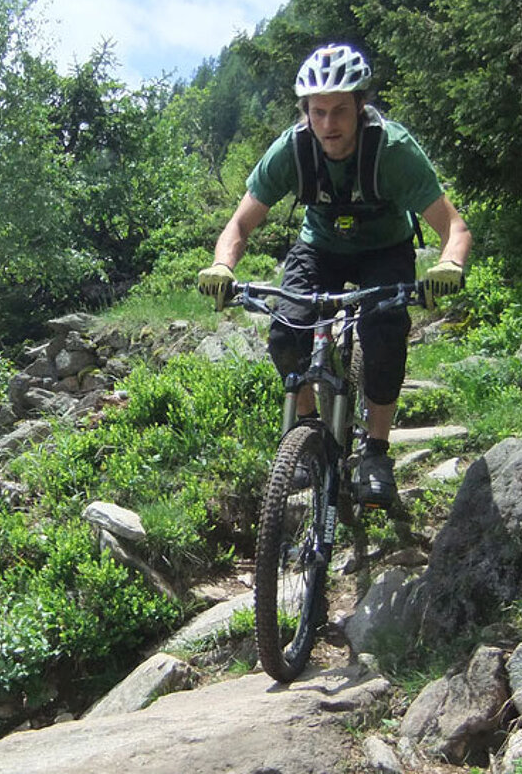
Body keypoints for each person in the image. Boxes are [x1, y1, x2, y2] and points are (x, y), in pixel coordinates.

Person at [197, 43, 472, 508]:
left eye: (340, 111)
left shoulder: (394, 150)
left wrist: (449, 264)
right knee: (286, 336)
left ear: (361, 106)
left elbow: (454, 227)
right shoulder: (293, 148)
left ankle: (377, 452)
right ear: (305, 111)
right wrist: (223, 266)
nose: (328, 125)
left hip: (385, 248)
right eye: (317, 112)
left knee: (385, 336)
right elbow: (239, 225)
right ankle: (306, 433)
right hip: (319, 246)